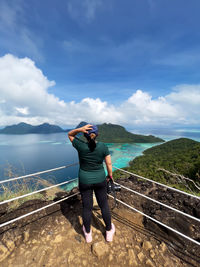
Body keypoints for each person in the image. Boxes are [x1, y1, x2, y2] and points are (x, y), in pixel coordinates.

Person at [68, 123, 115, 243]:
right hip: (100, 180)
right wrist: (110, 176)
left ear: (85, 135)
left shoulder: (80, 145)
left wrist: (79, 129)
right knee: (103, 205)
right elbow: (109, 164)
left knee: (87, 208)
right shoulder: (103, 147)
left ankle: (88, 233)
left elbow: (69, 134)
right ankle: (109, 231)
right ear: (97, 134)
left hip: (85, 180)